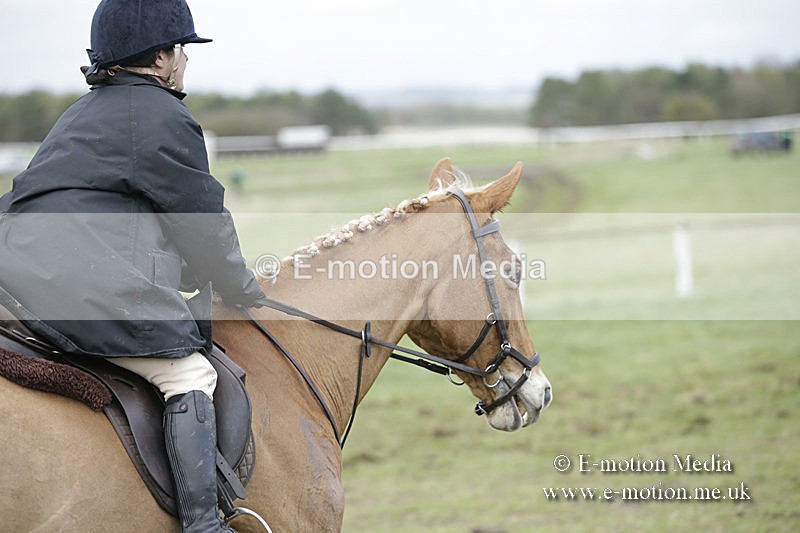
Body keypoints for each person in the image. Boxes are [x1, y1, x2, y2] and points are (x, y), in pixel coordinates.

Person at [0, 1, 266, 531]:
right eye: (182, 50)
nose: (186, 61)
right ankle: (204, 524)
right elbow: (202, 223)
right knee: (188, 372)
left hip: (17, 273)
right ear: (162, 57)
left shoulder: (81, 112)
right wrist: (243, 287)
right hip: (78, 279)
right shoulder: (164, 114)